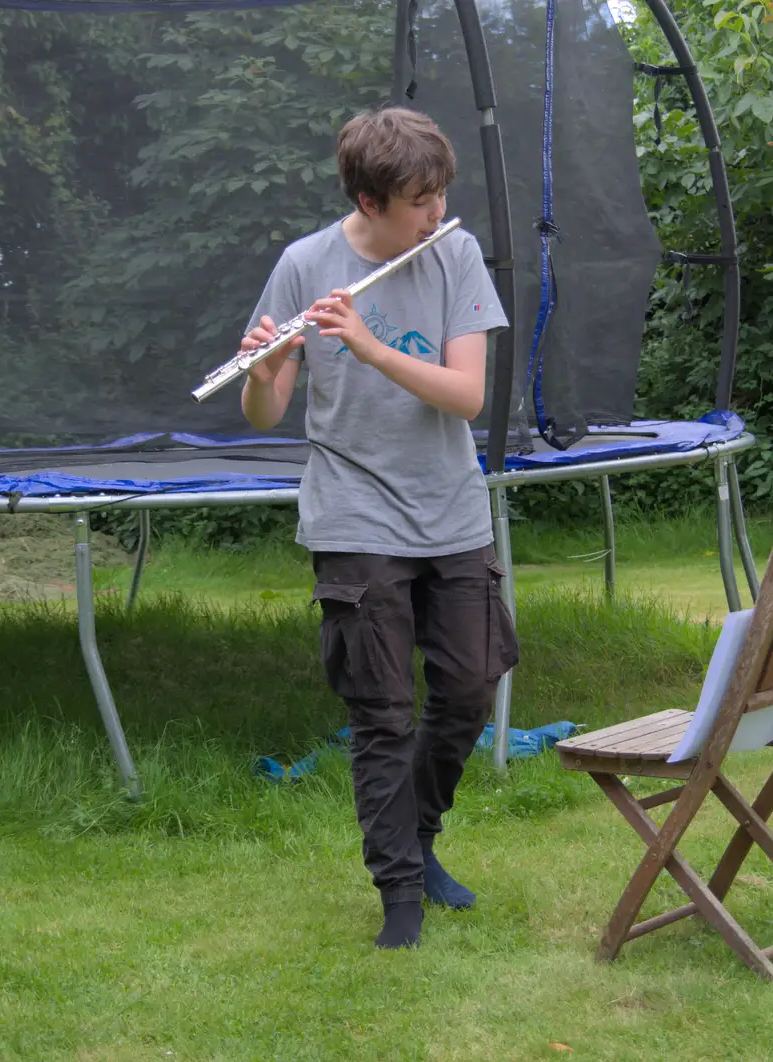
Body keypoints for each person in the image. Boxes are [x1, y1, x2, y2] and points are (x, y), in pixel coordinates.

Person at [237, 106, 519, 950]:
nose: (436, 214)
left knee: (469, 688)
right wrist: (262, 368)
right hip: (354, 512)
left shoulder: (455, 254)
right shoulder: (304, 266)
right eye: (418, 202)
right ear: (368, 199)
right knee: (382, 712)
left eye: (440, 196)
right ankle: (398, 890)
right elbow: (265, 412)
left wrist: (367, 346)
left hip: (450, 509)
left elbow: (466, 396)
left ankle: (420, 838)